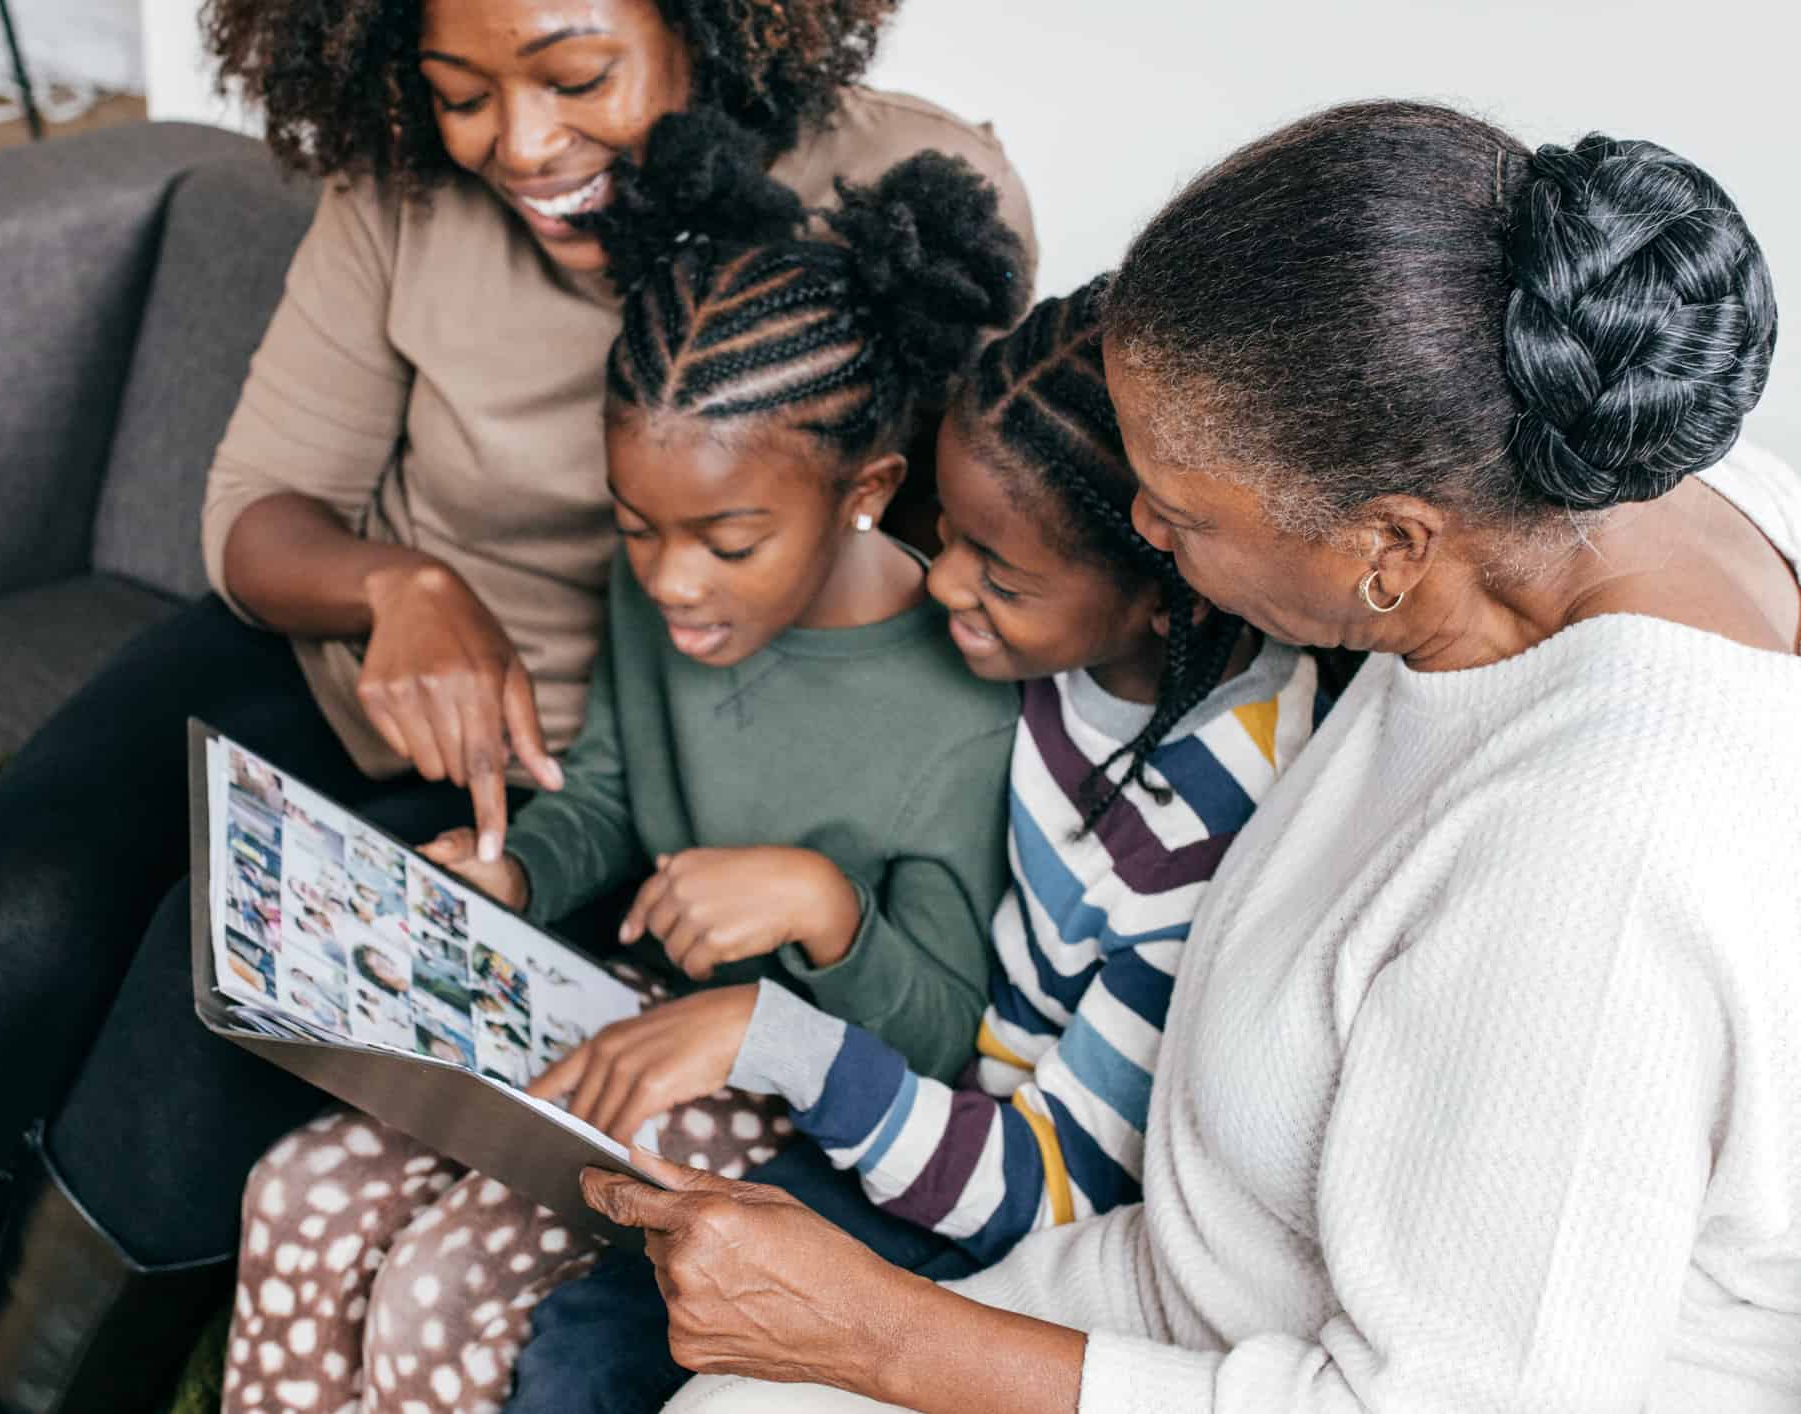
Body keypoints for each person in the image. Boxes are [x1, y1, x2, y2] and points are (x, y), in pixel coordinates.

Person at [0, 1, 1038, 1407]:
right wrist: (399, 587)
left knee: (186, 1030)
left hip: (568, 762)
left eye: (574, 75)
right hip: (346, 648)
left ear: (714, 25)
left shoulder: (898, 211)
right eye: (459, 89)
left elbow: (942, 592)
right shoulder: (400, 194)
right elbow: (252, 518)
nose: (523, 141)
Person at [577, 101, 1799, 1414]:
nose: (1140, 525)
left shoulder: (1591, 870)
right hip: (1181, 1286)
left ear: (1385, 548)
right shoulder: (1571, 461)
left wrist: (869, 1332)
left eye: (1180, 514)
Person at [222, 108, 1028, 1414]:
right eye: (635, 525)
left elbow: (941, 1041)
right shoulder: (657, 587)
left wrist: (823, 913)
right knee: (296, 1186)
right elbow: (601, 791)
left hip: (802, 1103)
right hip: (623, 1009)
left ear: (867, 488)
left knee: (439, 1298)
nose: (668, 579)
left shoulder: (962, 707)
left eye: (724, 537)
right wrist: (515, 878)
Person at [503, 273, 1330, 1413]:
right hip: (929, 1107)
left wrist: (770, 1031)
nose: (940, 583)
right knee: (601, 1317)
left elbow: (1049, 1187)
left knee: (599, 1353)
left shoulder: (1201, 831)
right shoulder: (1063, 642)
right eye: (943, 536)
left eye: (994, 573)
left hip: (1012, 1190)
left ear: (1167, 584)